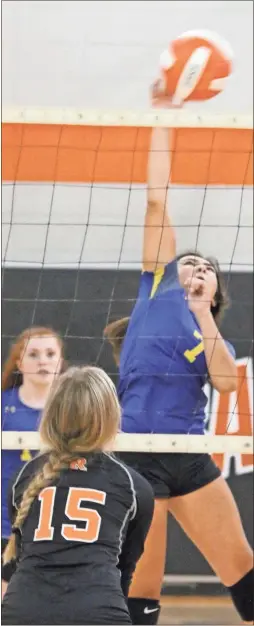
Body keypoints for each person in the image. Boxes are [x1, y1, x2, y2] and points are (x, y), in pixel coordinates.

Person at [104, 83, 254, 625]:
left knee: (243, 570)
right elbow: (156, 197)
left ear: (215, 292)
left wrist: (199, 314)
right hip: (132, 453)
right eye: (189, 262)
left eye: (206, 268)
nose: (196, 267)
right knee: (140, 590)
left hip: (186, 454)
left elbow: (228, 382)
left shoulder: (210, 332)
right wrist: (163, 117)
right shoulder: (158, 285)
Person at [2, 366, 154, 625]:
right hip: (97, 612)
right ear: (111, 416)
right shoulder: (134, 486)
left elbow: (16, 562)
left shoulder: (24, 478)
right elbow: (124, 572)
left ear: (51, 415)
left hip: (22, 611)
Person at [1, 326, 65, 596]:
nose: (43, 361)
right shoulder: (4, 406)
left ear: (60, 362)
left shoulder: (70, 409)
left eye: (50, 354)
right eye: (34, 354)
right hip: (7, 522)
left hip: (54, 524)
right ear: (19, 363)